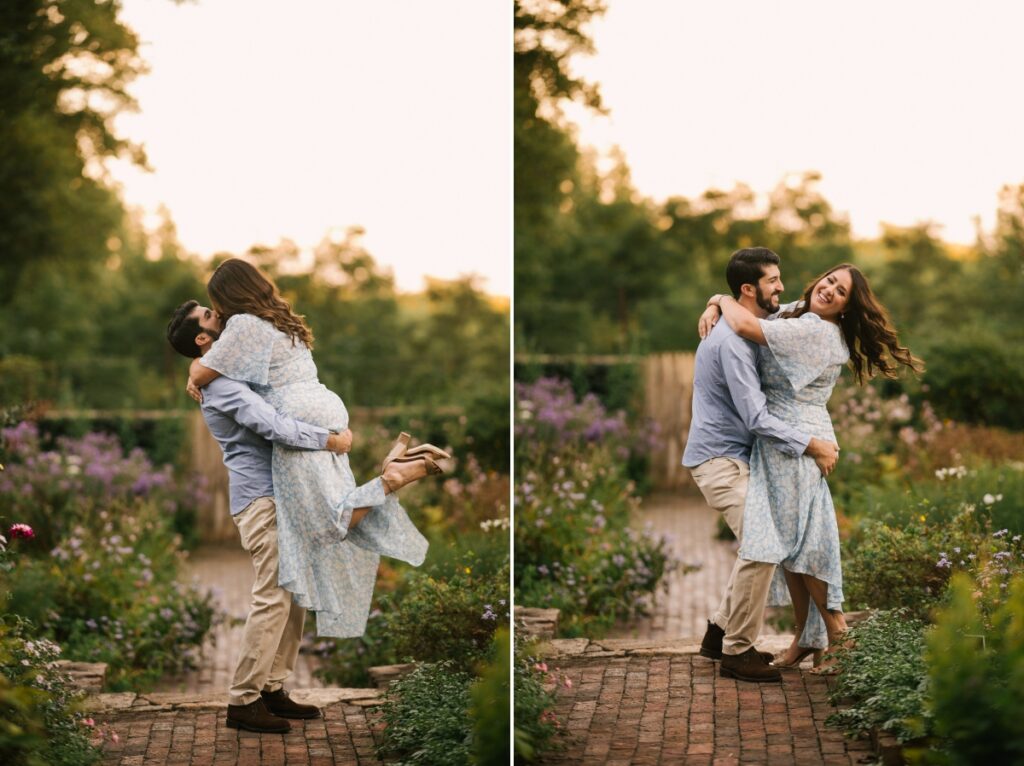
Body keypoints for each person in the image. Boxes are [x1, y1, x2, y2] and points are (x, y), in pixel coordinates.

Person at [184, 258, 449, 640]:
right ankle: (392, 472)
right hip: (326, 407)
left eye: (215, 303)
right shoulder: (281, 321)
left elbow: (203, 373)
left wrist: (192, 371)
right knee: (331, 513)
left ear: (229, 295)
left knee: (324, 523)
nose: (219, 312)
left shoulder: (242, 325)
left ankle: (390, 480)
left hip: (299, 422)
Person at [705, 262, 922, 674]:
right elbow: (755, 311)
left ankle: (836, 635)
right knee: (791, 547)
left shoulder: (817, 330)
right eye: (830, 281)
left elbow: (749, 326)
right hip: (785, 442)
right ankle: (809, 638)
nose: (830, 291)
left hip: (798, 446)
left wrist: (718, 299)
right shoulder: (798, 313)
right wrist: (717, 305)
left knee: (802, 545)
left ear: (844, 308)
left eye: (841, 293)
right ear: (819, 279)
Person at [167, 299, 356, 733]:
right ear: (203, 338)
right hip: (261, 501)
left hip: (283, 493)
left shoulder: (222, 374)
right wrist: (330, 440)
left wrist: (194, 372)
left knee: (294, 597)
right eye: (211, 316)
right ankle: (243, 700)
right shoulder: (223, 387)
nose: (222, 316)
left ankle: (272, 687)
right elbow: (271, 423)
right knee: (273, 595)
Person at [684, 248, 840, 684]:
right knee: (764, 546)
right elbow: (756, 418)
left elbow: (787, 314)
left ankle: (718, 633)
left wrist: (718, 298)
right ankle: (738, 652)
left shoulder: (750, 321)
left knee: (762, 542)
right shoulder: (733, 343)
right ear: (750, 289)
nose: (782, 287)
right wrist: (814, 445)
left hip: (733, 458)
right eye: (773, 281)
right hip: (719, 463)